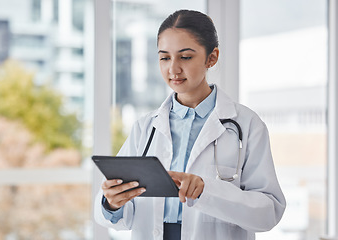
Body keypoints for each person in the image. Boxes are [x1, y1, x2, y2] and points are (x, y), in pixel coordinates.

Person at [95, 9, 286, 240]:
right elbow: (111, 212)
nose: (173, 69)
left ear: (211, 57)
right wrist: (112, 202)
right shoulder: (145, 127)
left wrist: (207, 190)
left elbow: (268, 212)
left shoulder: (247, 125)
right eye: (165, 57)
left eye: (185, 57)